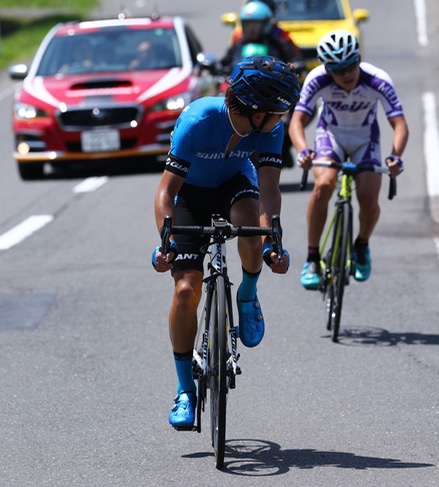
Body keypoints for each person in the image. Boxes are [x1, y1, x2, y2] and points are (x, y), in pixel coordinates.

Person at [151, 56, 300, 430]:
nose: (280, 118)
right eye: (276, 111)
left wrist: (271, 243)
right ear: (253, 110)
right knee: (186, 290)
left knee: (249, 223)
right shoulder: (199, 120)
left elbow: (268, 189)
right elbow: (166, 191)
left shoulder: (269, 128)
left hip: (236, 184)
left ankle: (247, 294)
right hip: (191, 195)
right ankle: (185, 390)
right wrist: (166, 239)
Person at [290, 30, 409, 290]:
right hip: (330, 135)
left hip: (365, 140)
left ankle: (362, 245)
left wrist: (395, 157)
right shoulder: (317, 79)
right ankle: (312, 258)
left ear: (359, 59)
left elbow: (399, 124)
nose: (346, 74)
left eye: (350, 65)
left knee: (368, 198)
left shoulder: (377, 80)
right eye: (337, 69)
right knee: (323, 186)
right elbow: (297, 121)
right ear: (326, 68)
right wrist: (302, 150)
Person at [220, 1, 305, 76]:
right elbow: (224, 63)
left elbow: (295, 59)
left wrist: (295, 66)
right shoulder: (239, 43)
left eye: (255, 26)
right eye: (247, 25)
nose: (251, 30)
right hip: (239, 85)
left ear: (266, 24)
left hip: (273, 86)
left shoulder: (278, 42)